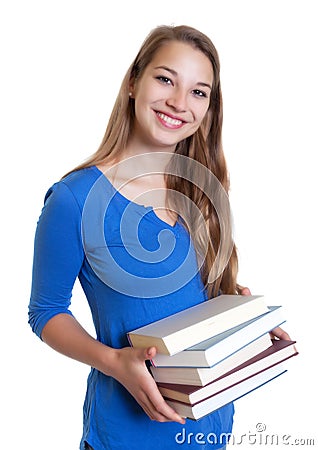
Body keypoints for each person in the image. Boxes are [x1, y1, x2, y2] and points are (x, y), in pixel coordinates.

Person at [28, 25, 289, 450]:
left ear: (209, 108)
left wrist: (245, 323)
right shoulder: (73, 199)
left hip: (209, 427)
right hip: (128, 436)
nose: (178, 103)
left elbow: (195, 303)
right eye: (165, 79)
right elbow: (45, 312)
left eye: (198, 92)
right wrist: (113, 361)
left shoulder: (201, 193)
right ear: (133, 81)